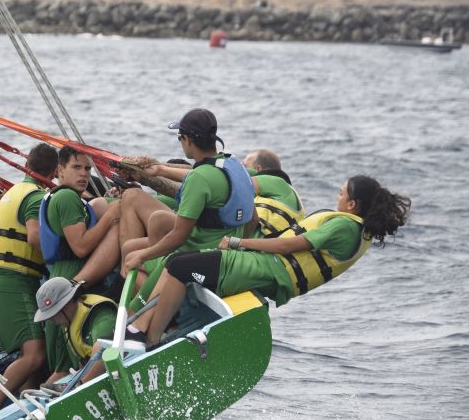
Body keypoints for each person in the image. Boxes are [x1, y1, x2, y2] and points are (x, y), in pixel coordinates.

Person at [131, 175, 411, 348]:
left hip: (272, 270)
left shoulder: (346, 227)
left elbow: (292, 244)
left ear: (352, 205)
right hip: (270, 269)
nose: (337, 196)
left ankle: (151, 339)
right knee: (181, 262)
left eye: (341, 193)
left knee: (180, 267)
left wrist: (240, 243)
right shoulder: (359, 231)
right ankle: (149, 329)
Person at [118, 109, 255, 309]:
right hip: (225, 249)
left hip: (196, 252)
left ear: (188, 140)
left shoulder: (198, 179)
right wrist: (160, 169)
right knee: (136, 241)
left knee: (130, 258)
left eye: (180, 138)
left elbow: (179, 237)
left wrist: (143, 255)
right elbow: (253, 219)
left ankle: (150, 310)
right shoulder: (231, 165)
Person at [0, 143, 59, 420]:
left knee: (30, 358)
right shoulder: (35, 197)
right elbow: (35, 238)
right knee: (35, 355)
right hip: (16, 282)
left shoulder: (11, 193)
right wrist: (62, 256)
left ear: (28, 167)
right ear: (55, 172)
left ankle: (23, 410)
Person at [39, 145, 122, 379]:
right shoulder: (66, 197)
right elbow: (81, 246)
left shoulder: (63, 197)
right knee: (62, 370)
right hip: (70, 279)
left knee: (64, 367)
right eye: (76, 167)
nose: (84, 173)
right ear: (60, 170)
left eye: (87, 168)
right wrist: (111, 219)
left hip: (61, 275)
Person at [33, 277, 118, 384]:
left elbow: (105, 355)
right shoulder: (70, 319)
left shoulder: (102, 316)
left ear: (68, 303)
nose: (53, 322)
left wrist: (80, 385)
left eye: (54, 315)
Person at [243, 149, 304, 237]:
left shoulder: (278, 183)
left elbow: (240, 187)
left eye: (245, 166)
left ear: (258, 168)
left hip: (261, 248)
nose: (243, 169)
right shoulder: (279, 190)